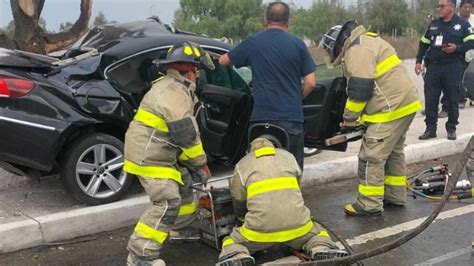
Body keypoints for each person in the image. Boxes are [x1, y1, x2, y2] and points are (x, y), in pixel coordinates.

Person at [124, 42, 213, 266]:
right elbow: (186, 136)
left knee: (183, 183)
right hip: (149, 156)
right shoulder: (175, 93)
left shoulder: (172, 86)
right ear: (191, 71)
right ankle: (140, 255)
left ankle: (178, 229)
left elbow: (173, 135)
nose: (197, 76)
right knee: (166, 201)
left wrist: (189, 167)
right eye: (197, 71)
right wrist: (200, 164)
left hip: (158, 151)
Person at [320, 21, 421, 216]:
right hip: (404, 104)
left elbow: (360, 91)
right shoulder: (368, 41)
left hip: (389, 108)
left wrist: (349, 120)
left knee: (371, 157)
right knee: (393, 153)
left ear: (338, 45)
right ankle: (395, 196)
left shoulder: (356, 50)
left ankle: (369, 204)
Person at [215, 124, 347, 266]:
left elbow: (239, 199)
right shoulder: (289, 157)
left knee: (231, 240)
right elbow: (295, 190)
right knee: (317, 233)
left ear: (250, 150)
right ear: (277, 146)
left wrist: (242, 219)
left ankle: (237, 254)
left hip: (258, 233)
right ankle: (320, 247)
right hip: (298, 228)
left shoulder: (242, 165)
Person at [219, 2, 317, 171]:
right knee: (292, 169)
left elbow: (223, 61)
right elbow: (311, 82)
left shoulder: (253, 42)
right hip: (291, 119)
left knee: (263, 169)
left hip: (262, 120)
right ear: (288, 21)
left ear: (265, 20)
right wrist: (296, 97)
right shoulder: (298, 44)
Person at [416, 0, 474, 141]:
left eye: (442, 6)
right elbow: (424, 43)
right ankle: (430, 129)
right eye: (438, 6)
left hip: (452, 66)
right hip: (434, 67)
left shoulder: (463, 25)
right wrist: (418, 61)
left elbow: (471, 42)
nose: (439, 9)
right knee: (431, 99)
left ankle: (451, 128)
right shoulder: (434, 24)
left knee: (452, 98)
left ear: (452, 8)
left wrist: (457, 48)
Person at [460, 0, 474, 106]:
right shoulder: (455, 20)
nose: (467, 9)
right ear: (460, 7)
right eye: (465, 7)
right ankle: (461, 99)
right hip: (460, 52)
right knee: (459, 76)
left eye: (470, 7)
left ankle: (472, 97)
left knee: (471, 75)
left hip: (472, 53)